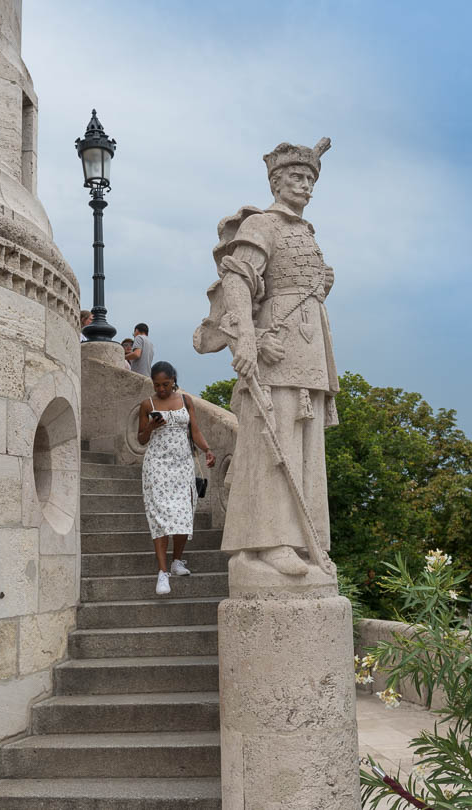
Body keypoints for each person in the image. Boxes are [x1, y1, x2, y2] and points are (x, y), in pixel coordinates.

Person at [193, 138, 338, 577]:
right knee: (270, 447)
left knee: (306, 450)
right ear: (276, 180)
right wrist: (250, 341)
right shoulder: (261, 225)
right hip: (277, 350)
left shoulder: (305, 231)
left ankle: (303, 540)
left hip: (310, 350)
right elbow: (237, 282)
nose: (306, 186)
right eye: (297, 177)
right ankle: (264, 542)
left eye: (311, 179)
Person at [138, 361, 216, 594]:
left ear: (173, 379)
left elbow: (195, 430)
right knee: (160, 518)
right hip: (157, 466)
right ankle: (163, 573)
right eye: (157, 385)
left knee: (184, 513)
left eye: (166, 384)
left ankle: (177, 560)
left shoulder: (186, 400)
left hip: (183, 465)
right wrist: (151, 426)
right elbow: (141, 439)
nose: (161, 389)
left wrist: (207, 450)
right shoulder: (147, 404)